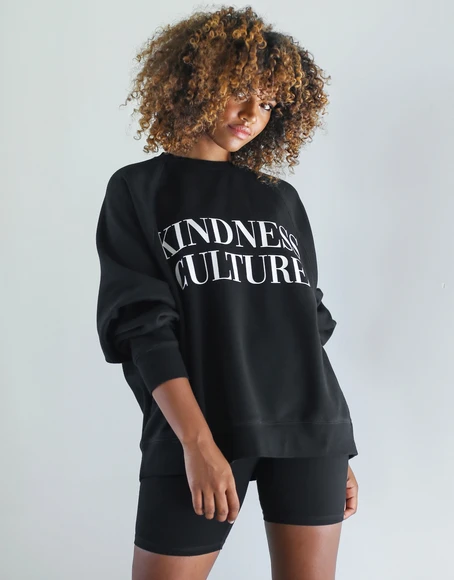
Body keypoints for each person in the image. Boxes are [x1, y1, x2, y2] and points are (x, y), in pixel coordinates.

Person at [95, 6, 359, 580]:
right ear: (199, 80)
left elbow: (306, 322)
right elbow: (143, 326)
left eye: (268, 103)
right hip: (201, 428)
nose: (252, 115)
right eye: (240, 92)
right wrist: (196, 444)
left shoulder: (280, 198)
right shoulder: (139, 189)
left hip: (310, 431)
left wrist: (335, 443)